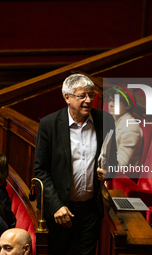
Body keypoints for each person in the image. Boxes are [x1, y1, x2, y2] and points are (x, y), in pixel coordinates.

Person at [33, 73, 117, 255]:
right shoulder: (49, 124)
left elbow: (114, 161)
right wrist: (56, 206)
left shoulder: (106, 120)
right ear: (67, 98)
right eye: (82, 96)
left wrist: (109, 171)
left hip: (90, 211)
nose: (88, 100)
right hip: (59, 211)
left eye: (91, 95)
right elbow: (40, 171)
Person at [105, 87, 143, 170]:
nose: (111, 104)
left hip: (120, 176)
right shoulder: (114, 119)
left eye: (116, 101)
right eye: (110, 100)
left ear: (128, 105)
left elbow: (121, 164)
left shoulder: (131, 127)